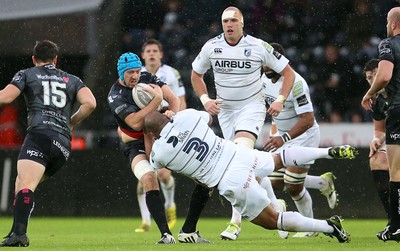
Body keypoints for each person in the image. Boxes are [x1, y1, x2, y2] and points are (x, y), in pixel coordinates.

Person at [143, 109, 356, 243]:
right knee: (278, 159)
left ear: (152, 133)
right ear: (165, 116)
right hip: (237, 154)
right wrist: (173, 115)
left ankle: (328, 226)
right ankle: (327, 152)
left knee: (273, 221)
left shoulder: (160, 151)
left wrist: (150, 136)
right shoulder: (186, 116)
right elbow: (208, 118)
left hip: (228, 179)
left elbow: (154, 162)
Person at [191, 5, 296, 240]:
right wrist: (205, 99)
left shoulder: (258, 46)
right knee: (243, 164)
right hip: (225, 112)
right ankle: (276, 208)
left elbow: (288, 73)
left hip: (251, 108)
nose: (229, 24)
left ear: (242, 24)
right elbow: (196, 74)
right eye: (225, 21)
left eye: (233, 20)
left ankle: (234, 223)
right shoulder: (211, 46)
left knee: (237, 161)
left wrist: (280, 99)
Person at [0, 40, 97, 247]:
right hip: (62, 145)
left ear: (34, 59)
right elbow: (91, 103)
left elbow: (6, 97)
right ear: (55, 59)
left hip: (39, 136)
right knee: (23, 184)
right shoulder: (72, 79)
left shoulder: (27, 73)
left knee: (24, 184)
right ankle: (15, 231)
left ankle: (19, 235)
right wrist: (71, 122)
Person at [262, 43, 338, 238]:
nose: (266, 68)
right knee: (273, 182)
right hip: (282, 136)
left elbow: (307, 120)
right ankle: (323, 183)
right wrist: (275, 133)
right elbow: (273, 111)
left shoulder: (296, 83)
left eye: (271, 65)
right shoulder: (263, 79)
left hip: (304, 136)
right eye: (265, 64)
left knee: (293, 185)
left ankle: (311, 228)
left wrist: (284, 138)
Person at [107, 52, 180, 244]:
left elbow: (174, 100)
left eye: (138, 71)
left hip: (160, 136)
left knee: (182, 172)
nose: (135, 76)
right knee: (149, 178)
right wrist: (156, 102)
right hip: (133, 143)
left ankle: (189, 228)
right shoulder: (115, 95)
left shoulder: (147, 77)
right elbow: (136, 122)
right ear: (121, 73)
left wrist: (172, 112)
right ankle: (166, 234)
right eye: (130, 72)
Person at [132, 39, 187, 232]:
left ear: (161, 54)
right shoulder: (135, 76)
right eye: (148, 51)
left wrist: (177, 122)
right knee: (144, 177)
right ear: (143, 54)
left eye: (155, 50)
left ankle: (170, 205)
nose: (152, 54)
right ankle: (146, 221)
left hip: (165, 127)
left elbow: (180, 101)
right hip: (142, 128)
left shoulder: (171, 74)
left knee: (163, 174)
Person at [361, 7, 400, 242]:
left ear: (393, 24)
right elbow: (378, 130)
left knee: (396, 173)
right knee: (380, 161)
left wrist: (369, 92)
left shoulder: (389, 44)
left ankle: (396, 226)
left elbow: (384, 75)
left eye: (387, 21)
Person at [362, 59, 391, 231]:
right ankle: (393, 218)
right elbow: (379, 130)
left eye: (374, 76)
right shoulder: (376, 100)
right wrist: (376, 140)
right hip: (395, 138)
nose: (372, 81)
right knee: (377, 160)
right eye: (368, 78)